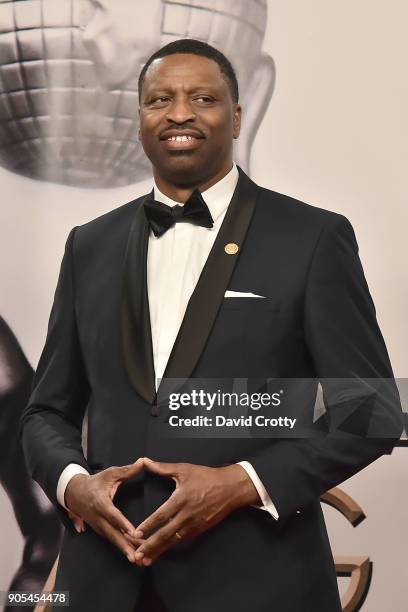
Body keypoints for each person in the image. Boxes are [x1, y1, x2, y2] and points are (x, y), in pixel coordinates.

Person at [19, 39, 402, 612]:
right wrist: (75, 483)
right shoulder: (88, 245)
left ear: (238, 116)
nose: (179, 113)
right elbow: (46, 412)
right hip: (103, 585)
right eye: (160, 99)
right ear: (140, 120)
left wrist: (241, 483)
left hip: (259, 586)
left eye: (203, 98)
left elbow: (369, 410)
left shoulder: (313, 238)